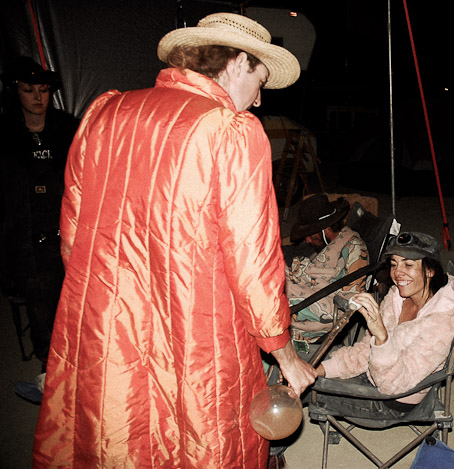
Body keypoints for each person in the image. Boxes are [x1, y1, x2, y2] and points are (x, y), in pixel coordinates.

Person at [32, 13, 316, 468]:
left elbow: (73, 235)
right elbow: (253, 262)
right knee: (197, 441)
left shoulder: (104, 112)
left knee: (114, 437)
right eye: (260, 81)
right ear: (238, 62)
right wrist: (284, 352)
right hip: (197, 332)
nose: (259, 100)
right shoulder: (231, 131)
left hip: (106, 325)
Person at [315, 231, 454, 413]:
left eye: (408, 264)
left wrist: (381, 335)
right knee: (306, 363)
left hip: (395, 398)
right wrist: (320, 370)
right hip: (376, 374)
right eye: (394, 264)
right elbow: (366, 350)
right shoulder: (396, 297)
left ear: (430, 270)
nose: (398, 273)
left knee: (309, 391)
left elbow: (393, 384)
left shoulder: (443, 319)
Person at [0, 56, 79, 403]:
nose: (37, 97)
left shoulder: (67, 128)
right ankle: (49, 376)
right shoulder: (4, 134)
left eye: (43, 90)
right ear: (15, 91)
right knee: (41, 305)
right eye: (28, 89)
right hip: (26, 240)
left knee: (76, 304)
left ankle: (82, 371)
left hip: (68, 234)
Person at [286, 193, 369, 344]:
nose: (307, 240)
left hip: (325, 305)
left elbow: (349, 300)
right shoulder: (333, 243)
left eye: (310, 234)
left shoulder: (354, 249)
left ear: (325, 229)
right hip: (311, 288)